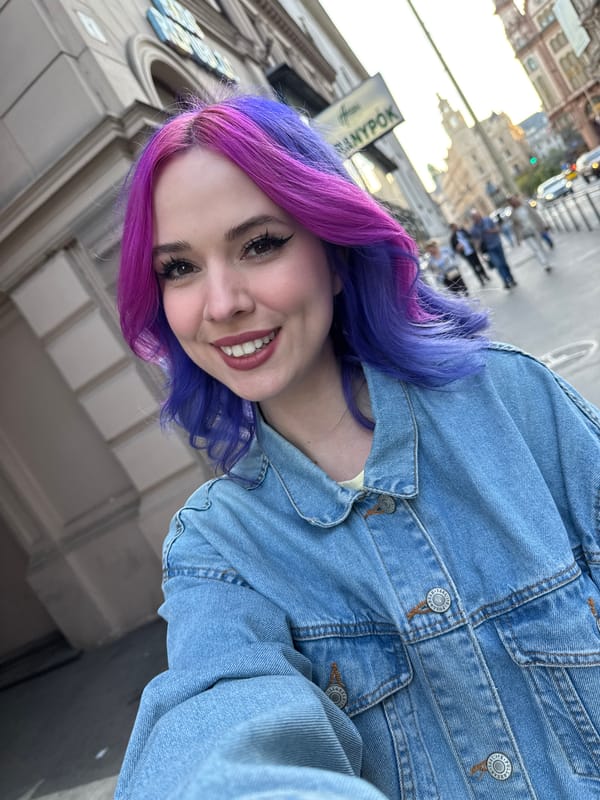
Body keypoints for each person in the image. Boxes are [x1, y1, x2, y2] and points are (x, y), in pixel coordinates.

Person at [115, 94, 600, 800]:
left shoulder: (516, 404)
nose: (220, 304)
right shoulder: (217, 551)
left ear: (334, 253)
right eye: (179, 269)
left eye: (259, 244)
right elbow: (215, 723)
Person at [470, 209, 517, 289]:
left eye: (477, 215)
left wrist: (490, 231)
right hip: (489, 249)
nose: (477, 217)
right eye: (474, 217)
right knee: (498, 265)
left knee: (503, 263)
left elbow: (498, 229)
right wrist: (480, 252)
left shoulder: (487, 220)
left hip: (497, 244)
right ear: (473, 218)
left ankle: (511, 278)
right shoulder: (474, 229)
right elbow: (476, 244)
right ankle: (505, 281)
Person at [507, 195, 553, 272]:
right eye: (511, 201)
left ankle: (546, 262)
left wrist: (543, 225)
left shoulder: (525, 206)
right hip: (525, 233)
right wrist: (518, 239)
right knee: (536, 249)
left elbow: (536, 216)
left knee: (539, 246)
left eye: (514, 200)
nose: (514, 202)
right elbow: (514, 227)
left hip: (534, 229)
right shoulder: (512, 213)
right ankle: (544, 264)